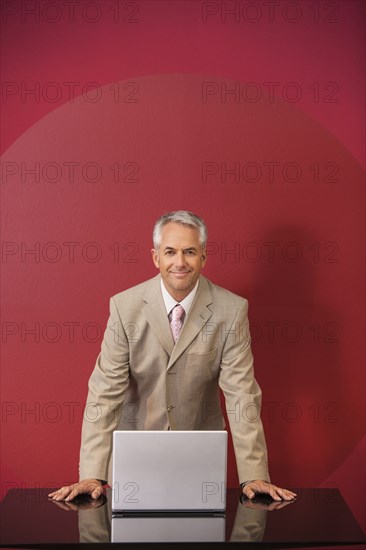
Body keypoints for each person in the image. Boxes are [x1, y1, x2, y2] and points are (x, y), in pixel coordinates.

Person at [49, 211, 296, 503]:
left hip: (200, 462)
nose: (180, 262)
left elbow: (242, 394)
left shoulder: (232, 310)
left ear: (204, 257)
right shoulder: (124, 307)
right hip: (134, 461)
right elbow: (104, 394)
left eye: (190, 252)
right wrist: (91, 474)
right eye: (170, 252)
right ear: (156, 257)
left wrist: (255, 474)